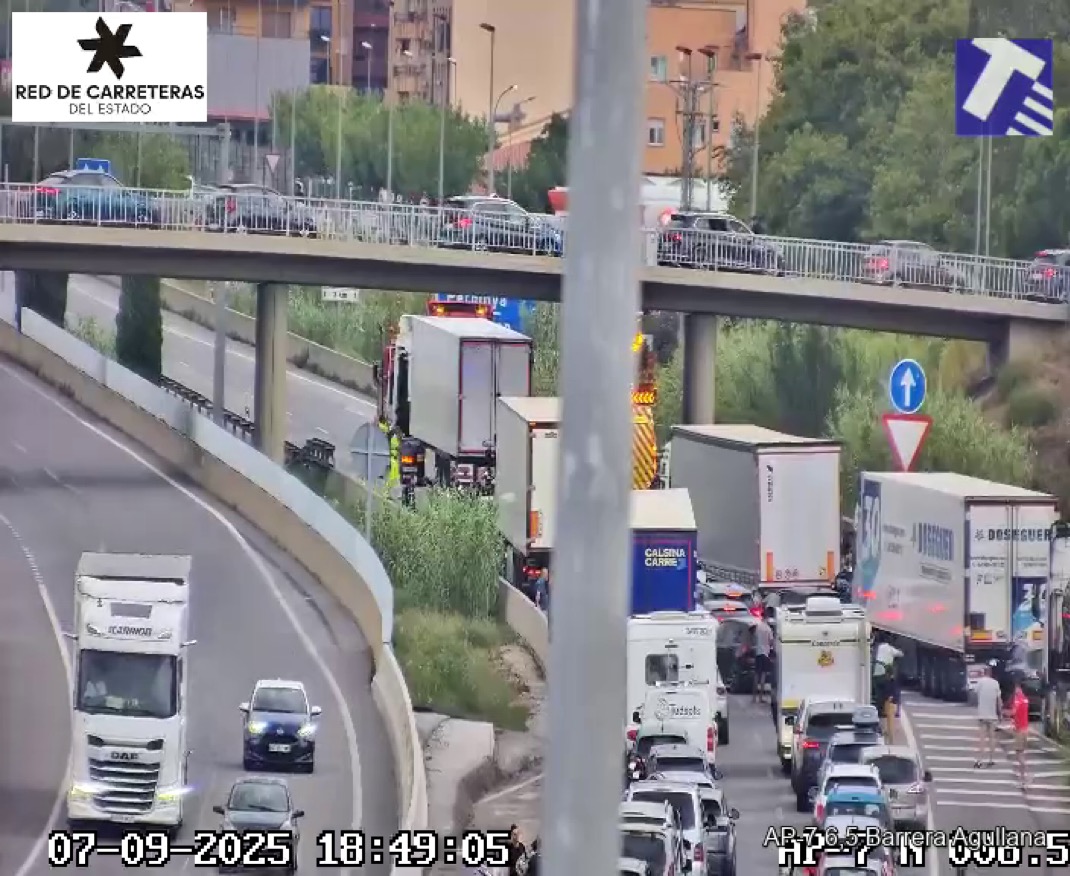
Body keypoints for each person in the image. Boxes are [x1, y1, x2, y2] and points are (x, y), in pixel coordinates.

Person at [873, 637, 903, 742]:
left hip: (876, 677)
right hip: (885, 677)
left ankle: (880, 724)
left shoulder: (879, 648)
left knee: (880, 699)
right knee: (890, 707)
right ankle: (890, 736)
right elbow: (900, 654)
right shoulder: (890, 649)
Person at [974, 661, 1003, 768]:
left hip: (982, 715)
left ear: (984, 672)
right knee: (992, 738)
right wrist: (1000, 714)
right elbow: (999, 701)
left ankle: (980, 760)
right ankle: (991, 759)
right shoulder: (996, 683)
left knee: (982, 738)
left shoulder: (980, 682)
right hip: (992, 715)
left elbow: (975, 693)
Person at [1007, 677, 1030, 786]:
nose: (1015, 690)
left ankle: (1025, 777)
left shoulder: (1018, 699)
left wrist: (1004, 713)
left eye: (1016, 688)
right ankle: (1023, 778)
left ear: (1018, 688)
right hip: (1025, 729)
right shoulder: (1025, 699)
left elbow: (1013, 712)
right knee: (1021, 754)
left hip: (1020, 730)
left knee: (1019, 755)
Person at [752, 615, 774, 704]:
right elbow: (771, 641)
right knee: (763, 676)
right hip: (765, 654)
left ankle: (754, 698)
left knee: (756, 676)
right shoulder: (768, 629)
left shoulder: (758, 627)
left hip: (758, 653)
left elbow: (755, 638)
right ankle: (760, 697)